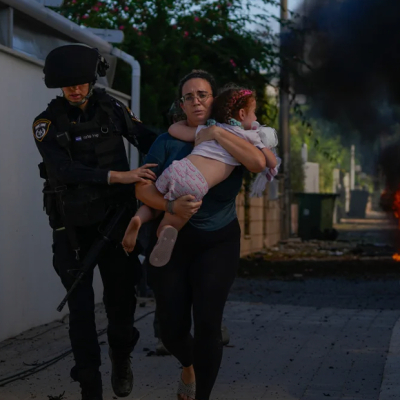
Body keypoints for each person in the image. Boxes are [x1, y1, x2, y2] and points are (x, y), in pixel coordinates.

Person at [32, 44, 161, 400]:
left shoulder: (112, 109)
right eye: (67, 84)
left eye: (81, 82)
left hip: (116, 223)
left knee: (121, 304)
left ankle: (121, 356)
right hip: (72, 230)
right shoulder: (46, 123)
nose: (74, 89)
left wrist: (189, 144)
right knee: (81, 311)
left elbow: (146, 138)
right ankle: (90, 386)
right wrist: (119, 177)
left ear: (92, 80)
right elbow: (63, 170)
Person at [133, 70, 267, 400]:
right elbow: (142, 189)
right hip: (173, 242)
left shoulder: (232, 135)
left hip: (218, 241)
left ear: (214, 99)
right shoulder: (166, 142)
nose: (196, 101)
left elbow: (258, 162)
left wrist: (216, 134)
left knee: (208, 324)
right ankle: (188, 365)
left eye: (202, 95)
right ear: (181, 104)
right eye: (189, 96)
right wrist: (170, 205)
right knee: (171, 330)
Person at [122, 85, 278, 266]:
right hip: (197, 183)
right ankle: (166, 230)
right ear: (242, 114)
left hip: (178, 168)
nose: (256, 118)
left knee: (156, 201)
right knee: (173, 219)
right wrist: (264, 146)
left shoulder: (210, 128)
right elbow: (270, 162)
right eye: (254, 113)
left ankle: (138, 219)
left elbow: (174, 129)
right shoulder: (249, 137)